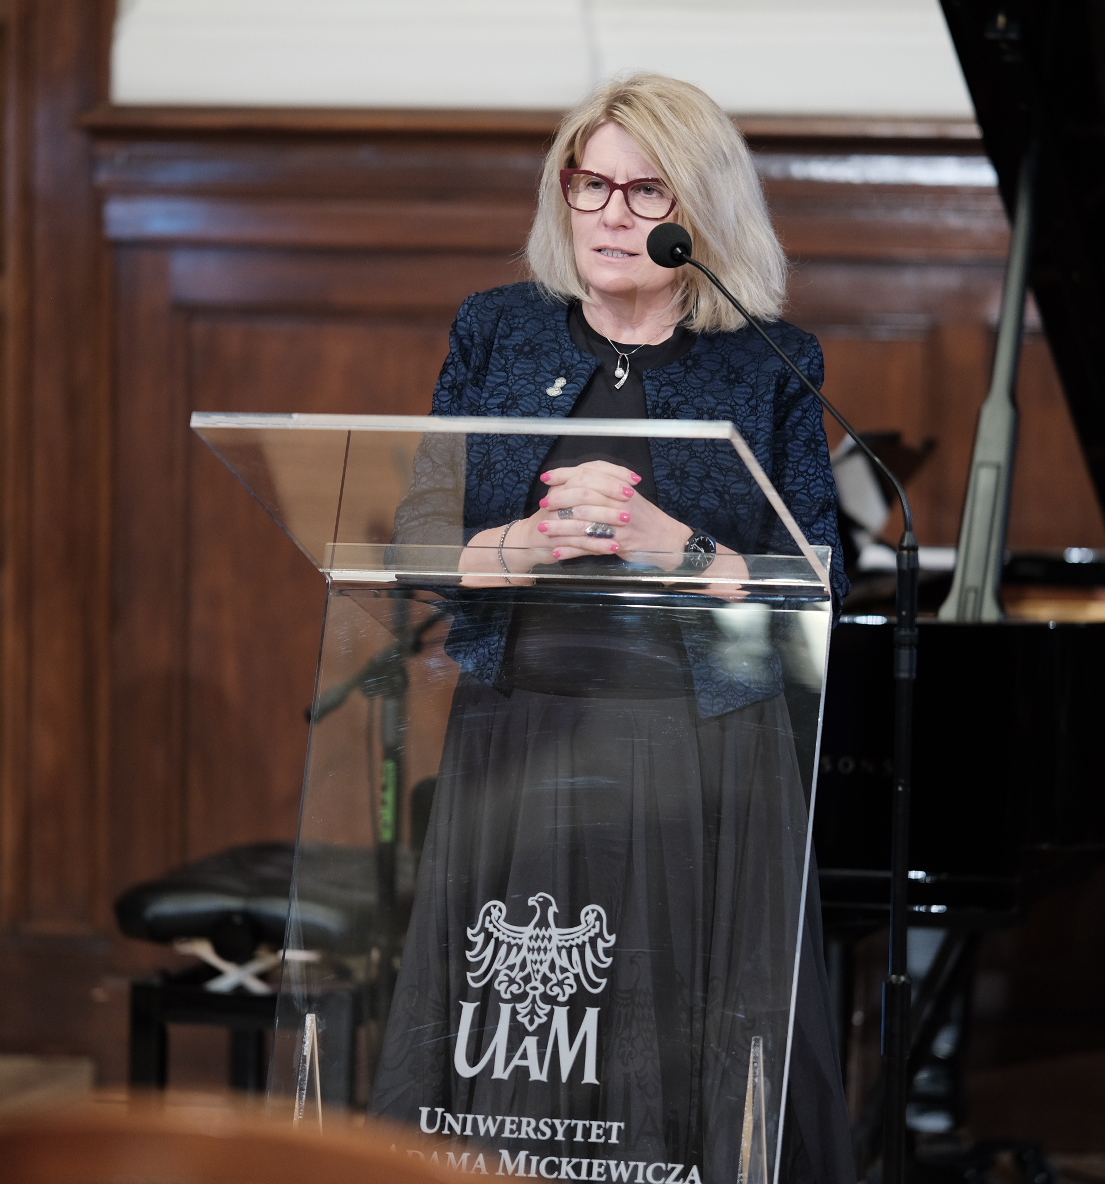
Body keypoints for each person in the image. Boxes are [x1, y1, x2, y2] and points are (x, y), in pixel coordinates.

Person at [371, 73, 853, 1184]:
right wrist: (527, 542)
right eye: (589, 184)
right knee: (522, 1034)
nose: (610, 214)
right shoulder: (496, 328)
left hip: (697, 749)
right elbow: (420, 538)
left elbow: (811, 577)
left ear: (699, 211)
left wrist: (668, 543)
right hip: (519, 730)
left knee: (664, 1046)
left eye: (646, 191)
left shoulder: (768, 360)